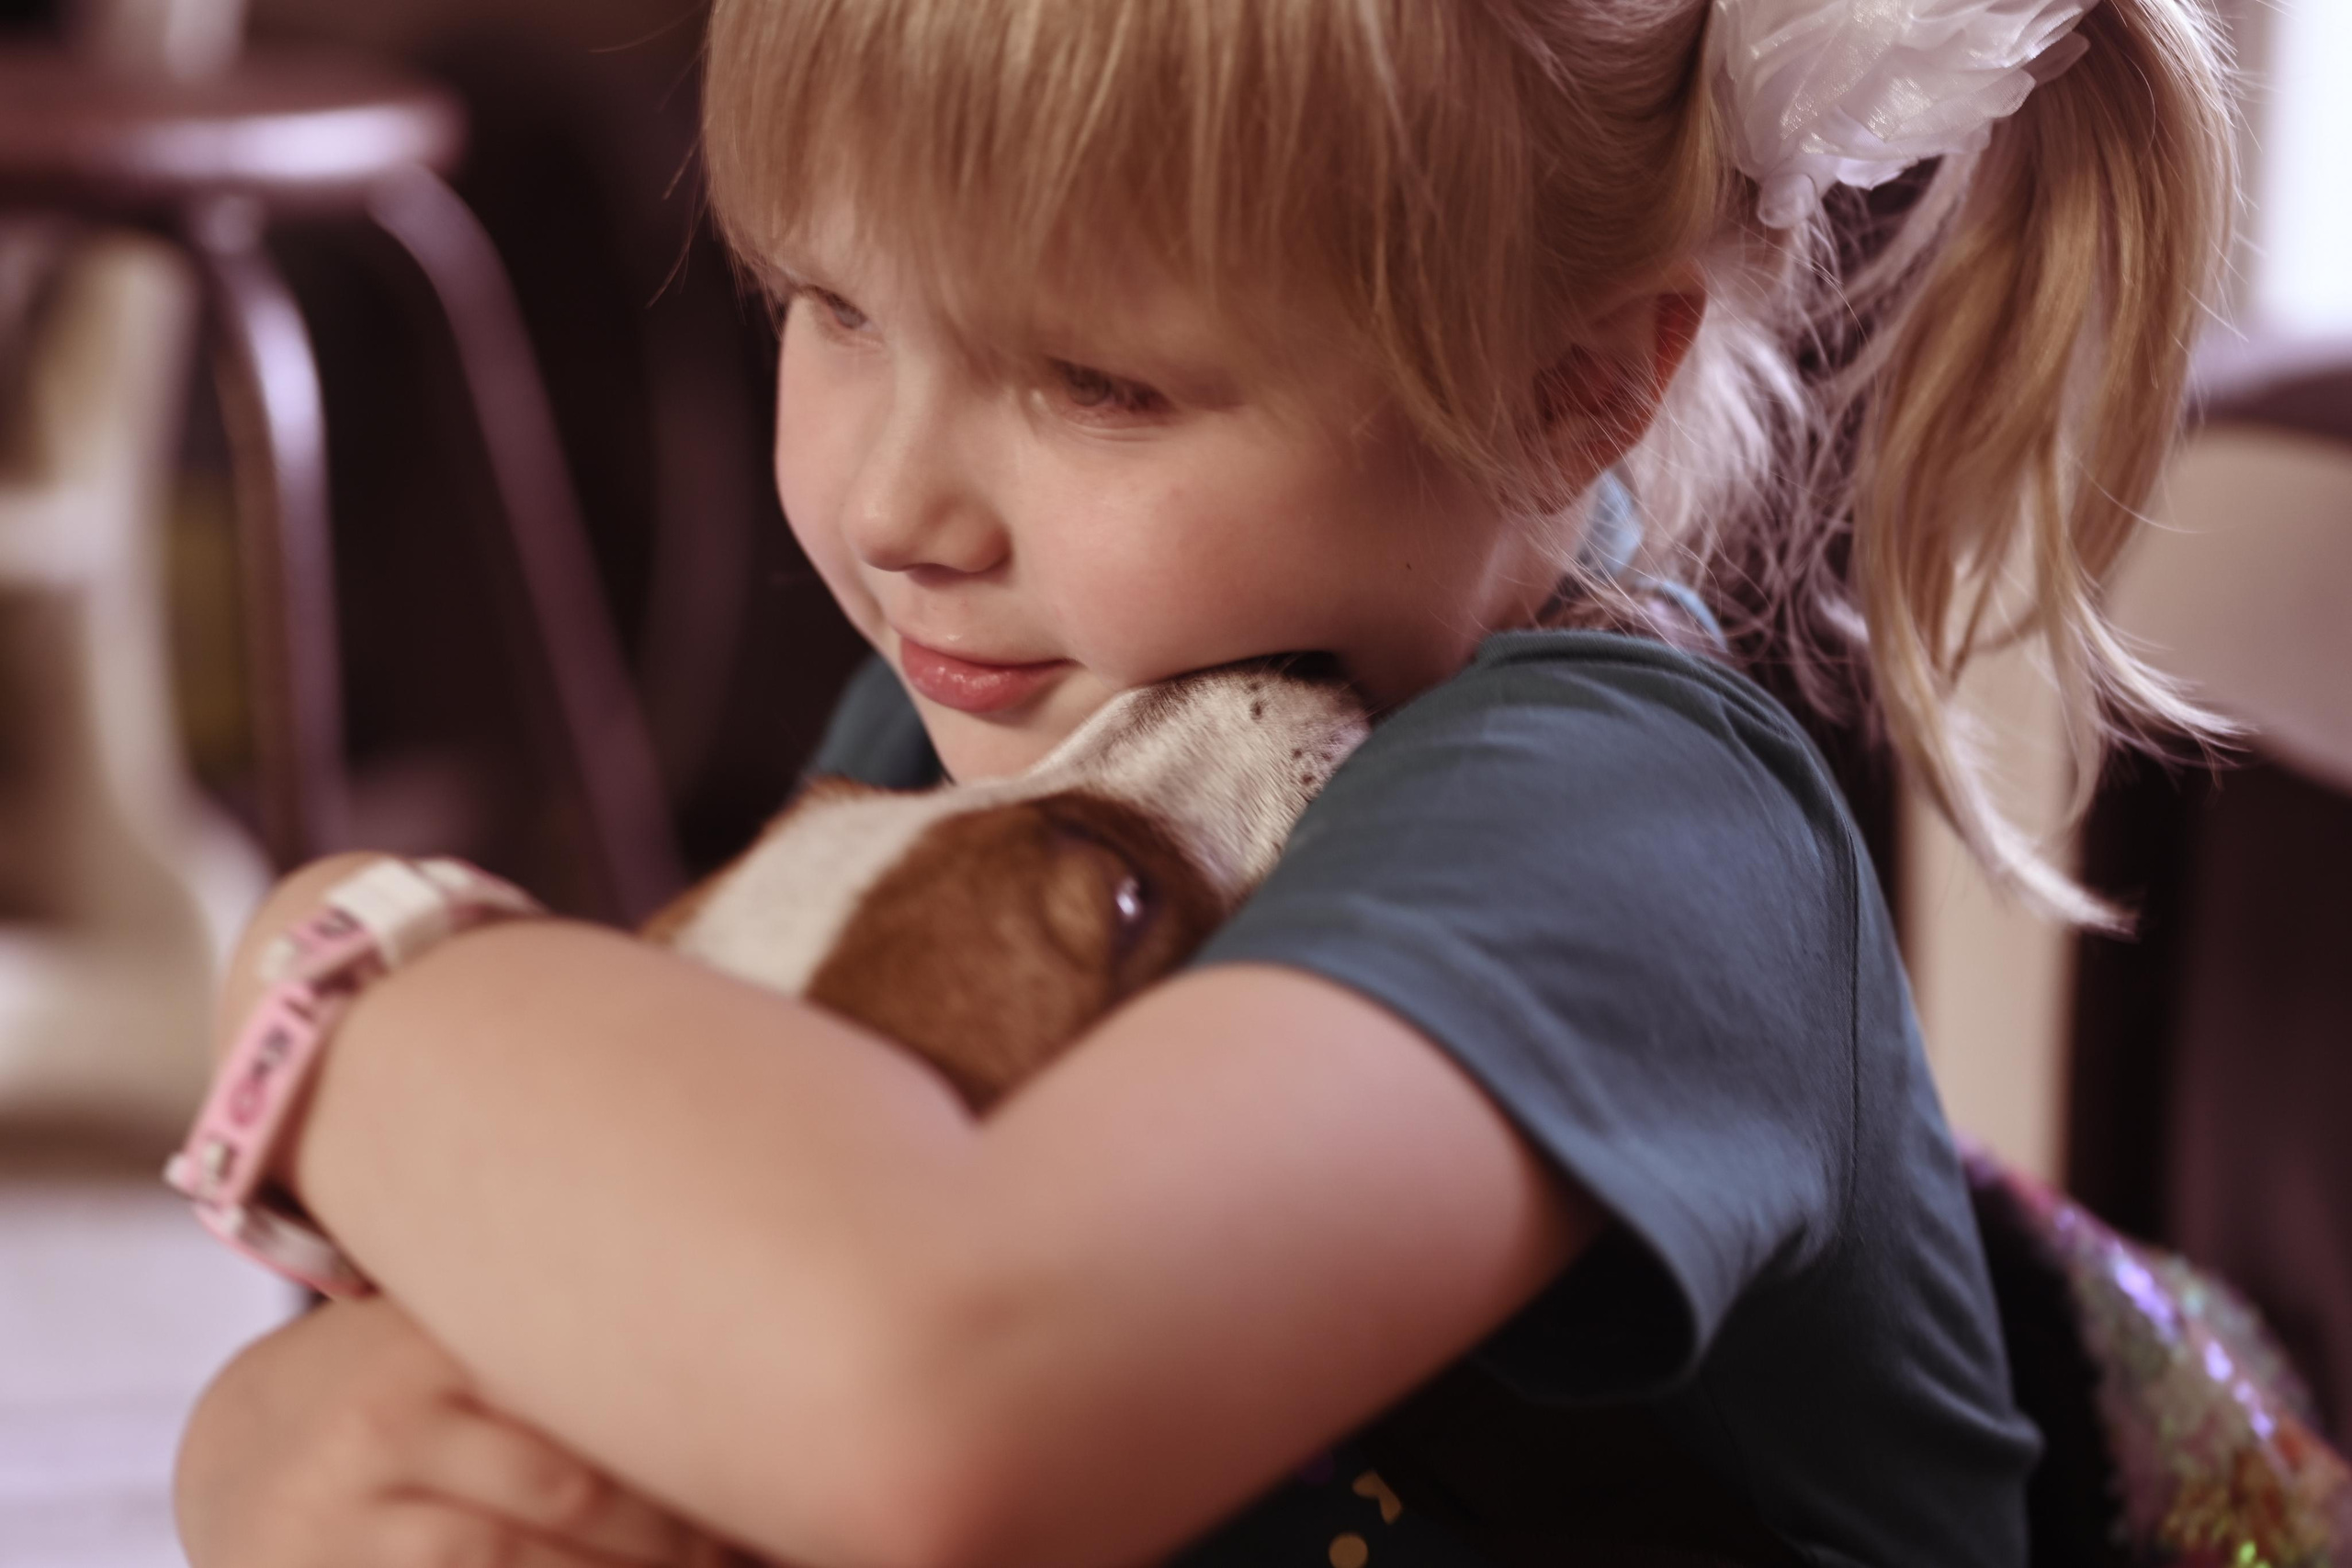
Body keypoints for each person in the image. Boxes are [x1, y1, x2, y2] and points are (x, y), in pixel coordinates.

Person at [172, 0, 2237, 1562]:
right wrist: (272, 1436)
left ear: (1578, 378)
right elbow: (631, 1248)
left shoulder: (1624, 826)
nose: (896, 506)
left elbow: (944, 1397)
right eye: (830, 301)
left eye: (1097, 384)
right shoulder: (1025, 694)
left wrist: (351, 954)